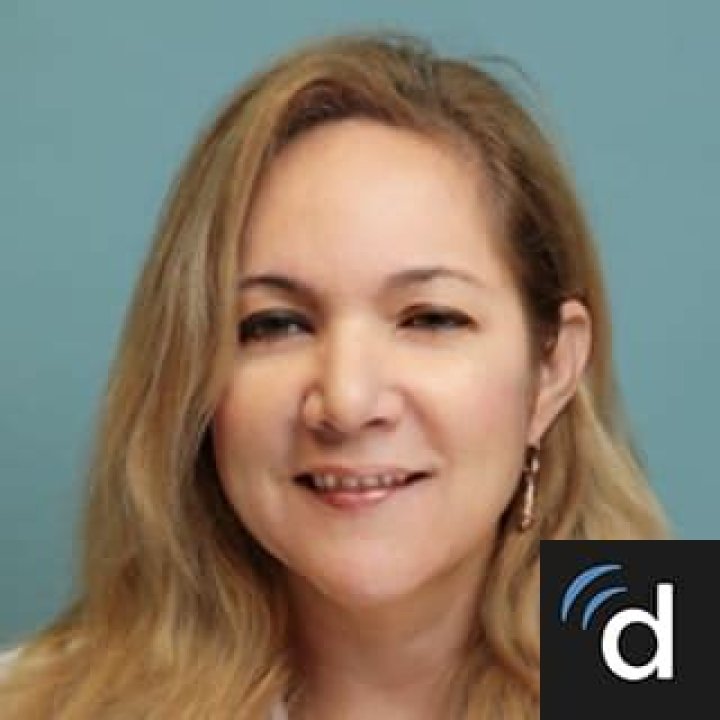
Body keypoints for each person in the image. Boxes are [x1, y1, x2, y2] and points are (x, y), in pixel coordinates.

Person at [0, 31, 669, 720]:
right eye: (275, 324)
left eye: (429, 318)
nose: (347, 402)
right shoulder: (36, 705)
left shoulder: (664, 677)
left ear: (552, 368)